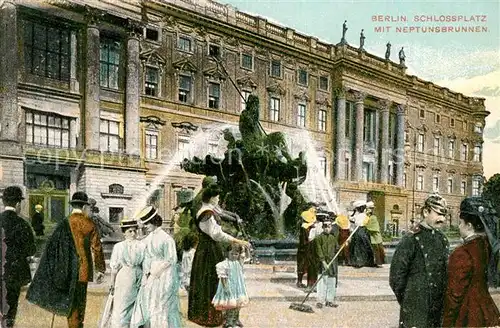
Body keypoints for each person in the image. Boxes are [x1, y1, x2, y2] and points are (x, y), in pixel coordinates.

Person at [27, 191, 106, 328]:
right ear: (84, 207)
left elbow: (52, 248)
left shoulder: (63, 223)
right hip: (83, 270)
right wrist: (100, 269)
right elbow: (97, 248)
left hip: (66, 269)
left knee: (71, 305)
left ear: (73, 206)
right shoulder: (90, 223)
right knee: (80, 303)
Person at [188, 185, 249, 327]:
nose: (219, 199)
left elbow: (222, 214)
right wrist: (236, 240)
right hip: (208, 250)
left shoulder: (209, 209)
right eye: (217, 197)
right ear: (212, 198)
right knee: (212, 280)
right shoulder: (206, 213)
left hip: (208, 248)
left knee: (213, 280)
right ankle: (209, 316)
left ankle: (220, 315)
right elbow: (216, 234)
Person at [389, 193, 449, 328]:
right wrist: (410, 300)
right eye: (438, 214)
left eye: (444, 215)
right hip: (415, 309)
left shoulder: (442, 240)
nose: (442, 219)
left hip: (437, 309)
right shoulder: (410, 239)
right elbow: (396, 278)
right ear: (426, 212)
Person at [441, 197, 500, 327]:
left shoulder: (462, 253)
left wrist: (446, 323)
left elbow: (454, 295)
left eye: (461, 223)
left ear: (469, 225)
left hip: (468, 314)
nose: (459, 226)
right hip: (486, 310)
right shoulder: (486, 246)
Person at [130, 206, 181, 328]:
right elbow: (144, 255)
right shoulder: (148, 238)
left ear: (154, 222)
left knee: (162, 305)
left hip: (164, 276)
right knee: (150, 303)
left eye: (147, 223)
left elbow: (171, 259)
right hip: (151, 276)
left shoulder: (167, 239)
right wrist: (147, 274)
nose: (145, 226)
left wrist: (156, 271)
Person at [0, 186, 36, 328]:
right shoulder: (22, 224)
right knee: (11, 308)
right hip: (14, 274)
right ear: (17, 204)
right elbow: (31, 250)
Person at [107, 219, 144, 328]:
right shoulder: (119, 246)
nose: (133, 234)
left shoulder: (142, 245)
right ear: (124, 233)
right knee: (122, 306)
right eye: (130, 231)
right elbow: (114, 267)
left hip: (138, 274)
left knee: (137, 306)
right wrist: (112, 283)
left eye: (134, 231)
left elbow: (145, 263)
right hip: (124, 276)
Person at [212, 244, 250, 328]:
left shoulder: (238, 262)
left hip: (238, 287)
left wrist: (244, 248)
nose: (234, 256)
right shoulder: (224, 264)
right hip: (228, 287)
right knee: (228, 305)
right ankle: (227, 322)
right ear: (227, 253)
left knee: (237, 304)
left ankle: (235, 320)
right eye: (232, 253)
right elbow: (223, 278)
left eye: (236, 254)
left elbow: (245, 256)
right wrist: (226, 288)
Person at [315, 218, 339, 308]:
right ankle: (320, 301)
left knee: (332, 281)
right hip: (322, 263)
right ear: (322, 227)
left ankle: (330, 300)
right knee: (322, 281)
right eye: (325, 226)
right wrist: (323, 261)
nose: (327, 228)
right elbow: (319, 251)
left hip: (332, 263)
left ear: (331, 227)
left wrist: (344, 245)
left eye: (329, 226)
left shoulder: (333, 238)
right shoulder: (319, 238)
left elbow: (337, 248)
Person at [296, 203, 318, 288]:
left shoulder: (305, 226)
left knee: (304, 265)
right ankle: (300, 282)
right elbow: (305, 240)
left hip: (305, 249)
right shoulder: (305, 228)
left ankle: (301, 281)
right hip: (305, 249)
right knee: (303, 265)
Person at [348, 200, 375, 268]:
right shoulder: (365, 215)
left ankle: (358, 262)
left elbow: (350, 219)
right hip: (364, 231)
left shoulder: (358, 216)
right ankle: (367, 261)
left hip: (358, 231)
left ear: (357, 209)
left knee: (357, 247)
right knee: (365, 246)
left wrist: (353, 212)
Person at [365, 201, 385, 267]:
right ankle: (377, 262)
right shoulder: (370, 217)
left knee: (378, 251)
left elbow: (372, 227)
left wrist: (366, 227)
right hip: (373, 237)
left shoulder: (373, 217)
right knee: (376, 251)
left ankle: (379, 263)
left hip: (376, 237)